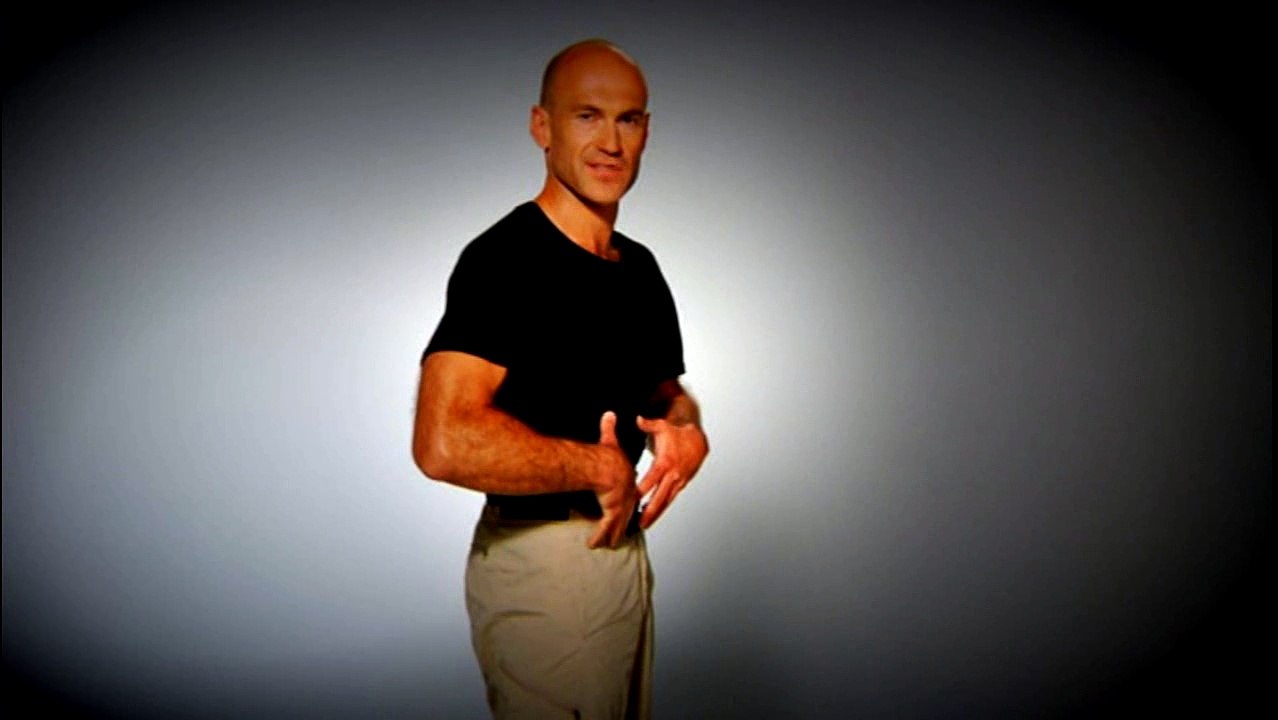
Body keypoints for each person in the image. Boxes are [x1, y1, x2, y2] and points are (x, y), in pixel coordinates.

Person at [411, 39, 709, 719]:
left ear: (647, 131)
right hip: (542, 560)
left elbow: (664, 393)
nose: (610, 142)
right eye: (587, 116)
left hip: (621, 556)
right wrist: (595, 466)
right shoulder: (505, 260)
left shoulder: (639, 268)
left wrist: (686, 429)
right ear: (542, 126)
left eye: (628, 119)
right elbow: (442, 442)